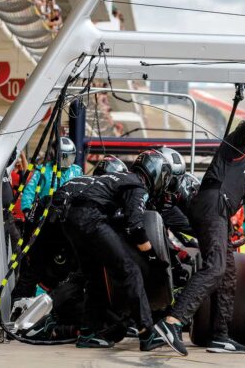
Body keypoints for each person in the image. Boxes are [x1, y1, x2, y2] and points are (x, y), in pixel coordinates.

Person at [153, 116, 245, 356]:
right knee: (215, 268)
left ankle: (220, 336)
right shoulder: (234, 149)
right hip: (211, 207)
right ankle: (172, 322)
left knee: (228, 275)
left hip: (219, 215)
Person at [55, 150, 172, 350]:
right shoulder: (137, 184)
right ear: (156, 173)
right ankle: (147, 333)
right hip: (90, 217)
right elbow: (135, 227)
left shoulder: (118, 177)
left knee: (95, 277)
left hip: (69, 220)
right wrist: (152, 256)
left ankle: (88, 333)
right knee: (130, 270)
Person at [21, 137, 83, 222]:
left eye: (71, 157)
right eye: (65, 157)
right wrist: (27, 209)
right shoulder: (43, 170)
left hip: (70, 218)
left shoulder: (77, 170)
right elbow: (30, 190)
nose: (68, 160)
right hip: (46, 217)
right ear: (55, 154)